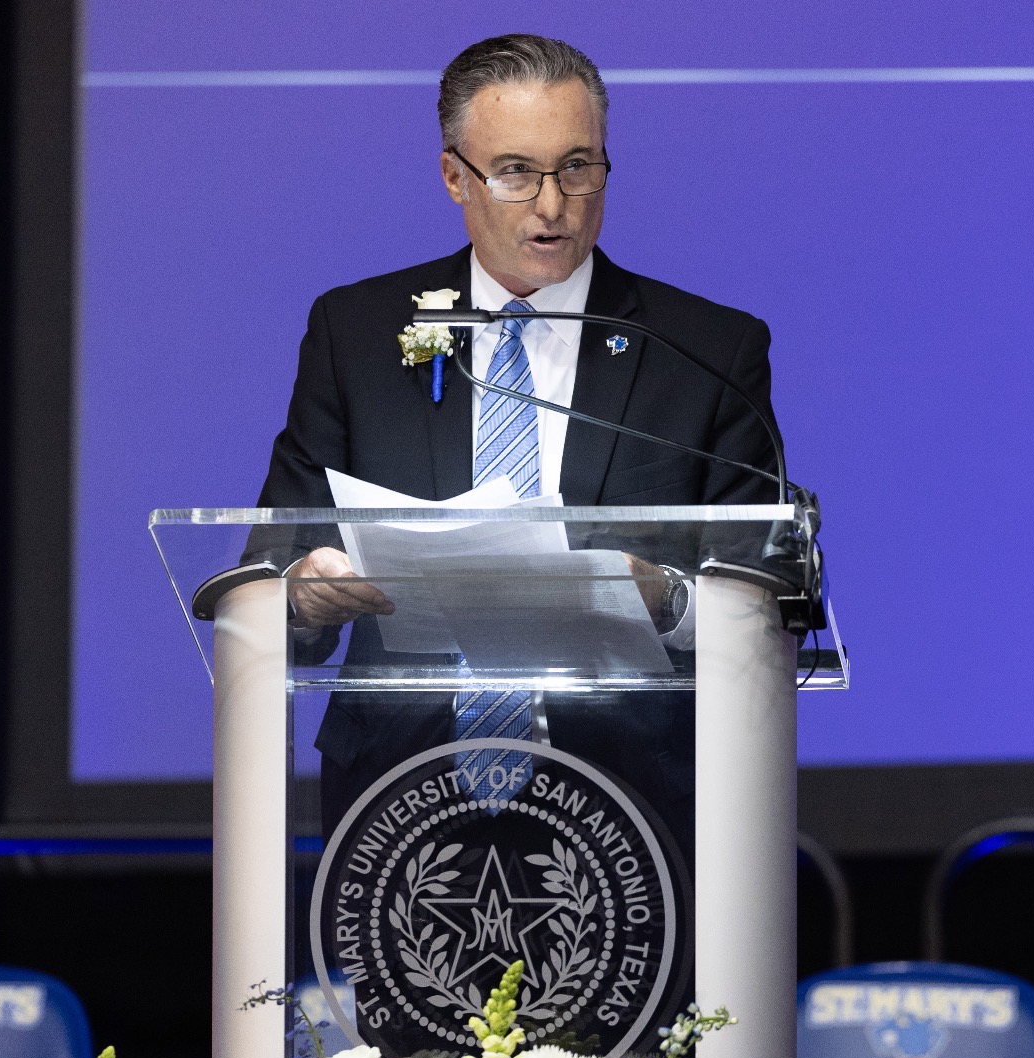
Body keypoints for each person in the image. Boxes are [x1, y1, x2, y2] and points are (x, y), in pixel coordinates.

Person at [251, 33, 785, 838]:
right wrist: (304, 590)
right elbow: (271, 558)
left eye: (578, 166)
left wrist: (665, 598)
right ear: (453, 177)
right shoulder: (354, 333)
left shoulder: (707, 352)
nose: (552, 204)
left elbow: (766, 596)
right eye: (514, 172)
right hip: (397, 803)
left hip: (631, 810)